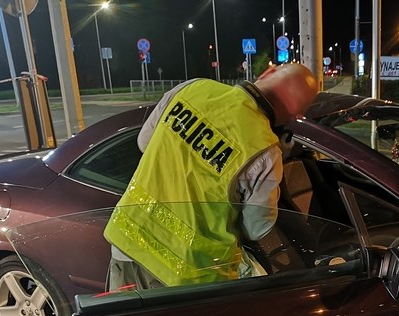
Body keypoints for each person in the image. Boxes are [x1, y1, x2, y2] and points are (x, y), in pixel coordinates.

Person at [104, 63, 318, 290]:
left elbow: (145, 142)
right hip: (187, 277)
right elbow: (257, 228)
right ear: (295, 116)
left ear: (267, 73)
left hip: (126, 245)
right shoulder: (265, 150)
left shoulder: (193, 89)